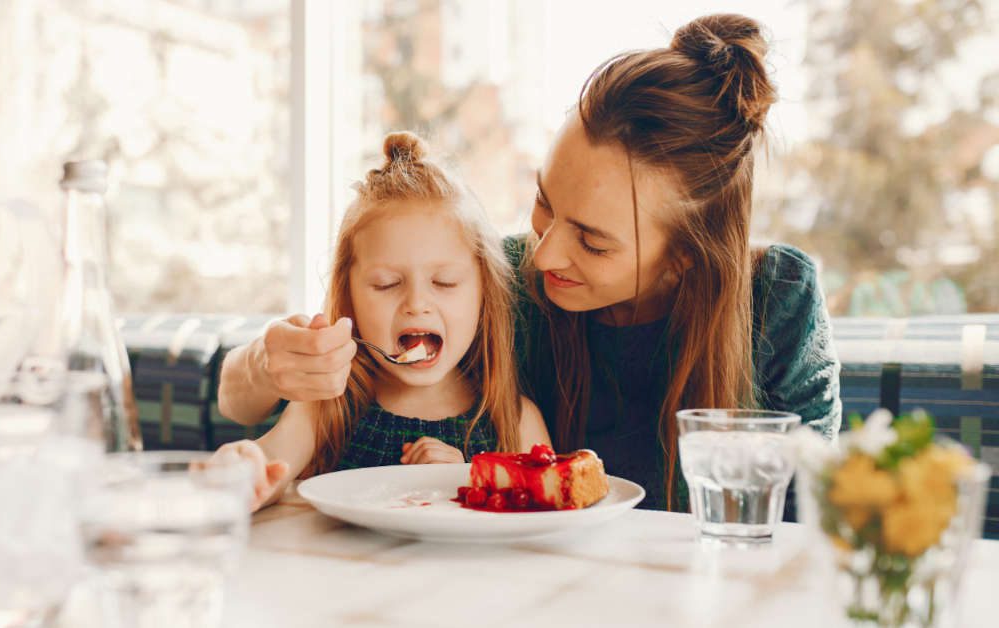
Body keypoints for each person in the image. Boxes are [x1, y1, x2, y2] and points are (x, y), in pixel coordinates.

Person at [218, 14, 841, 511]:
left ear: (682, 259)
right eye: (544, 203)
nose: (543, 254)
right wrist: (264, 365)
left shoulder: (778, 301)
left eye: (593, 241)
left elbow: (811, 522)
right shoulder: (495, 279)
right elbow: (249, 406)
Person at [213, 131, 550, 510]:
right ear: (350, 297)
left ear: (484, 293)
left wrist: (466, 481)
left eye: (445, 282)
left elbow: (544, 512)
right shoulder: (326, 404)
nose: (417, 303)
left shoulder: (513, 418)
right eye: (387, 284)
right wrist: (241, 471)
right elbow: (269, 470)